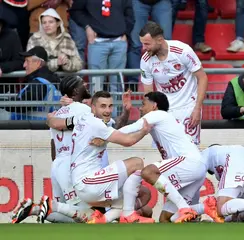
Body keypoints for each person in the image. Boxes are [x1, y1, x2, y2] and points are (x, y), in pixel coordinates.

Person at [45, 91, 155, 224]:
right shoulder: (95, 124)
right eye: (103, 106)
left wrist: (51, 117)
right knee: (137, 163)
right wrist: (144, 131)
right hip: (88, 182)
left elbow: (116, 131)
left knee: (144, 194)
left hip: (88, 180)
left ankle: (104, 220)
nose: (108, 110)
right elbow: (127, 141)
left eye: (110, 106)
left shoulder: (82, 118)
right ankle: (127, 215)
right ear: (93, 107)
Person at [116, 91, 208, 222]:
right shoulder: (166, 119)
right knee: (165, 219)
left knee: (148, 172)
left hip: (188, 163)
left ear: (154, 106)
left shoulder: (157, 114)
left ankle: (185, 208)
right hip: (196, 169)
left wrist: (104, 136)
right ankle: (201, 209)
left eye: (143, 104)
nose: (140, 108)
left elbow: (130, 129)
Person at [140, 21, 208, 145]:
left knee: (190, 151)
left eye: (147, 44)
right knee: (164, 153)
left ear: (160, 40)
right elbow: (148, 93)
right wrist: (151, 116)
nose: (144, 48)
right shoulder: (146, 60)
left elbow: (202, 77)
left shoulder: (182, 51)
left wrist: (197, 108)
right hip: (164, 112)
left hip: (188, 108)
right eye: (143, 44)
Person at [26, 8, 83, 72]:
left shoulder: (67, 39)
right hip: (42, 80)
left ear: (58, 23)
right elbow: (30, 64)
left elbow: (79, 64)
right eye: (44, 23)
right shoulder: (34, 39)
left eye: (51, 22)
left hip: (64, 80)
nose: (47, 25)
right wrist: (56, 63)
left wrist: (66, 63)